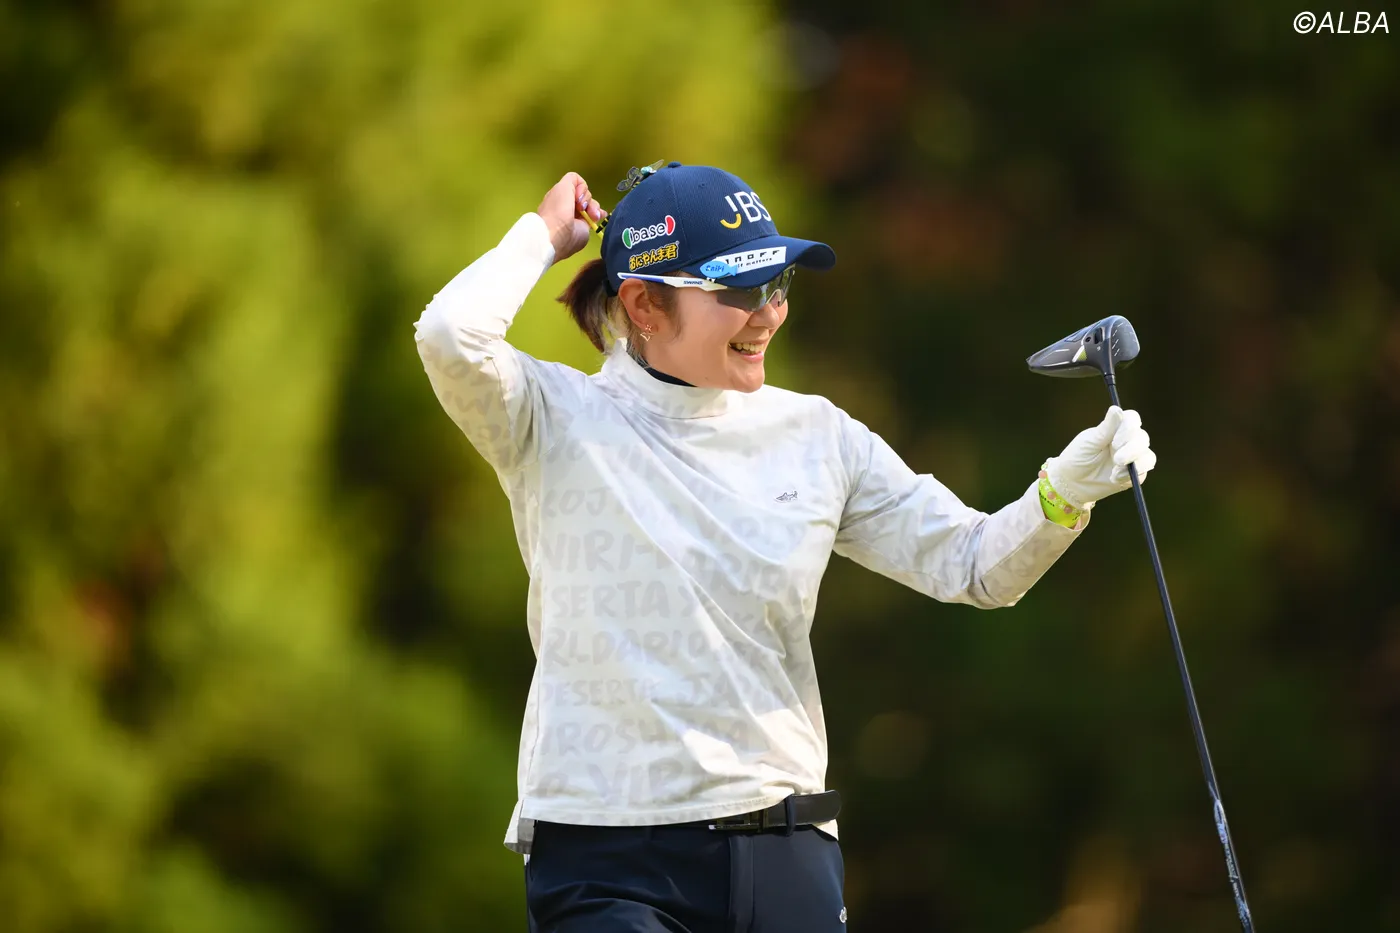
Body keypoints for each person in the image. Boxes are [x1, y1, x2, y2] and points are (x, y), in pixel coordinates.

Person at [414, 161, 1156, 932]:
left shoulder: (817, 436)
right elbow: (448, 334)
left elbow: (973, 564)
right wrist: (543, 236)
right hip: (605, 851)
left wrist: (1064, 491)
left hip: (784, 849)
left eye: (778, 283)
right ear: (643, 303)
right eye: (740, 289)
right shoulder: (551, 416)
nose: (768, 312)